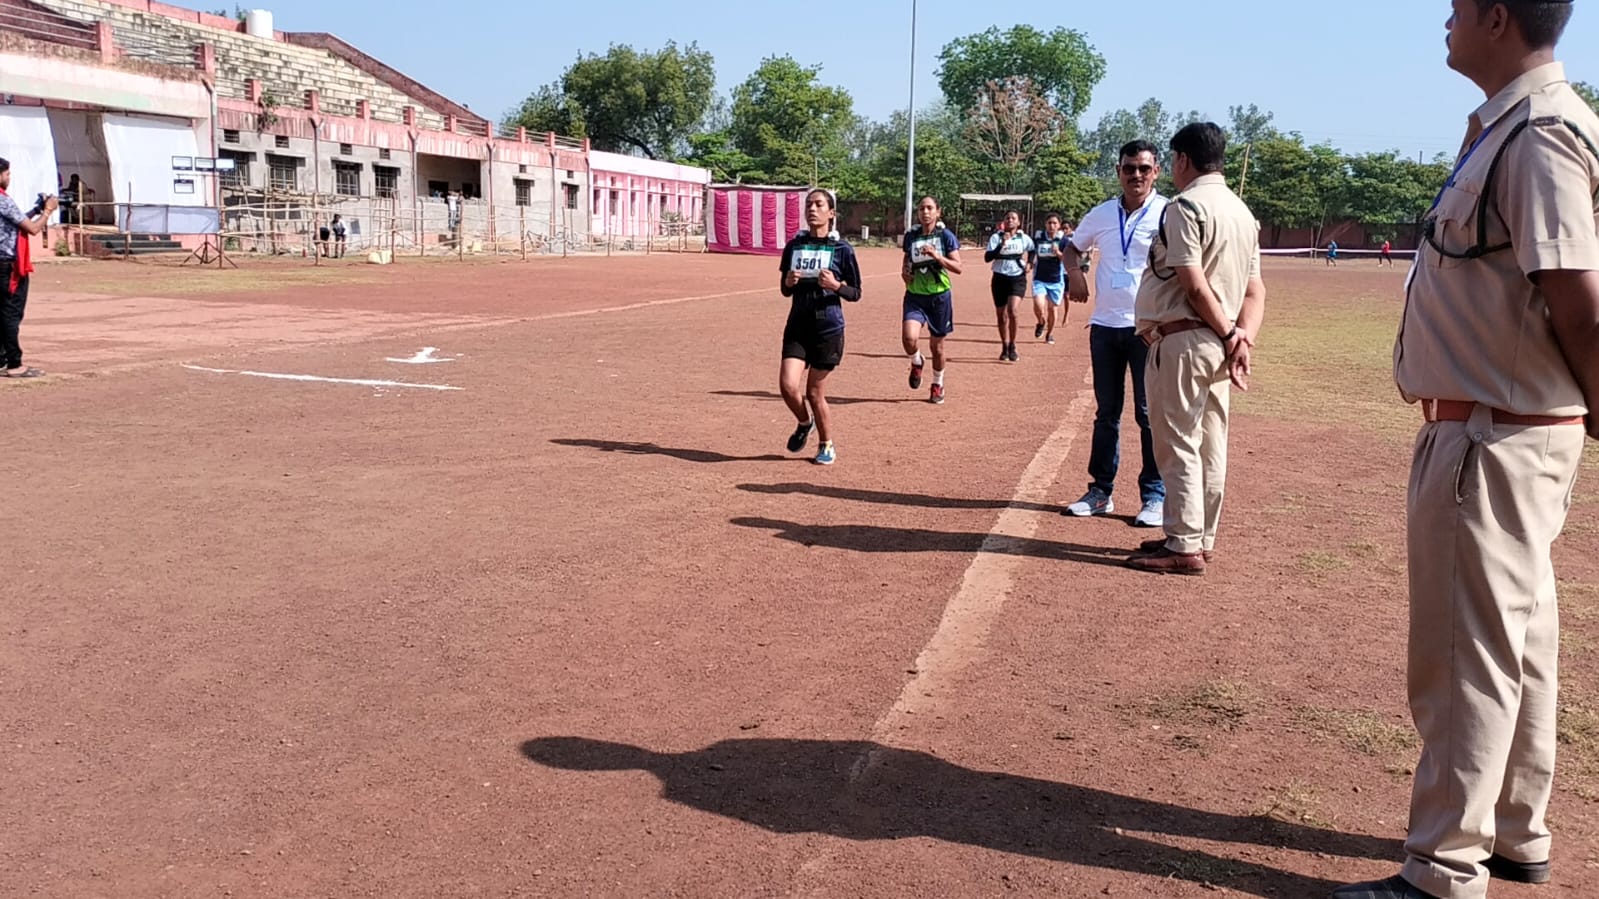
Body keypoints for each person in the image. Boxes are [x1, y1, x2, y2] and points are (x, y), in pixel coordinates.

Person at [1333, 2, 1599, 897]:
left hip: (1492, 438)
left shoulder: (1540, 134)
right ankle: (1515, 833)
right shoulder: (1511, 129)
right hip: (1506, 432)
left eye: (1454, 8)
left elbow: (1580, 303)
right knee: (1515, 646)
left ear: (1495, 17)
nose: (1443, 21)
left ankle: (1441, 869)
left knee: (1461, 658)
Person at [1125, 122, 1265, 576]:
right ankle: (1197, 536)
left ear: (1183, 160)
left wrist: (1229, 335)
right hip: (1219, 345)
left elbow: (1193, 281)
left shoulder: (1186, 207)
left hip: (1186, 340)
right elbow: (1254, 290)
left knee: (1179, 441)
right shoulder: (1242, 212)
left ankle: (1183, 544)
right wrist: (1241, 337)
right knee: (1211, 444)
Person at [1062, 139, 1170, 525]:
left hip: (1149, 330)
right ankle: (1100, 492)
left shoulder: (1168, 213)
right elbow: (1071, 248)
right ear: (1118, 172)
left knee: (1148, 414)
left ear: (1156, 171)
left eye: (1143, 168)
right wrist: (1074, 273)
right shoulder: (1103, 214)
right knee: (1107, 413)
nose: (1136, 175)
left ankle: (1154, 496)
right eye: (1129, 168)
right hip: (1105, 327)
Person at [778, 189, 863, 466]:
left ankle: (826, 444)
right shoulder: (794, 246)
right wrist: (789, 282)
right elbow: (784, 290)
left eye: (818, 204)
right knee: (788, 386)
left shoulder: (842, 250)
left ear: (831, 213)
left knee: (814, 392)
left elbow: (855, 293)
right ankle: (805, 423)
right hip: (798, 325)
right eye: (808, 205)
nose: (812, 209)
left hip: (828, 328)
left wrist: (836, 286)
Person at [901, 196, 963, 404]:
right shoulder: (911, 236)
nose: (925, 212)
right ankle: (916, 361)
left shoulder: (945, 236)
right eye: (921, 209)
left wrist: (938, 257)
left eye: (929, 208)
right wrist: (905, 272)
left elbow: (958, 267)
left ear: (938, 212)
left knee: (937, 348)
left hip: (939, 297)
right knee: (909, 339)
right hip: (915, 295)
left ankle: (937, 384)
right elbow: (907, 259)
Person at [0, 157, 57, 379]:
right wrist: (47, 212)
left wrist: (35, 209)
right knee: (10, 314)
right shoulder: (3, 200)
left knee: (3, 313)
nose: (9, 178)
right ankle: (14, 363)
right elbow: (32, 229)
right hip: (7, 266)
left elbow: (17, 221)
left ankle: (3, 360)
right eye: (7, 174)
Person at [985, 210, 1033, 362]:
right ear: (1003, 222)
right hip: (999, 277)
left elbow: (1032, 249)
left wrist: (1030, 263)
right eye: (1007, 218)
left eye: (1013, 218)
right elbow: (988, 257)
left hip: (1017, 277)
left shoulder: (1023, 238)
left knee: (1013, 310)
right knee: (1001, 315)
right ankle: (1004, 345)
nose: (1010, 220)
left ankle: (1013, 344)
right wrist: (1001, 245)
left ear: (1018, 222)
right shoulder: (996, 237)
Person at [1029, 214, 1069, 345]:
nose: (1052, 226)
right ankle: (1041, 322)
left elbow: (1068, 259)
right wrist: (1029, 263)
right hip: (1040, 278)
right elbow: (1031, 252)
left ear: (1059, 225)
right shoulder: (1039, 237)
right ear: (1045, 224)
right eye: (1049, 223)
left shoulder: (1063, 240)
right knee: (1038, 304)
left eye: (1054, 223)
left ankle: (1050, 333)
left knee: (1052, 309)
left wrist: (1058, 253)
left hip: (1056, 280)